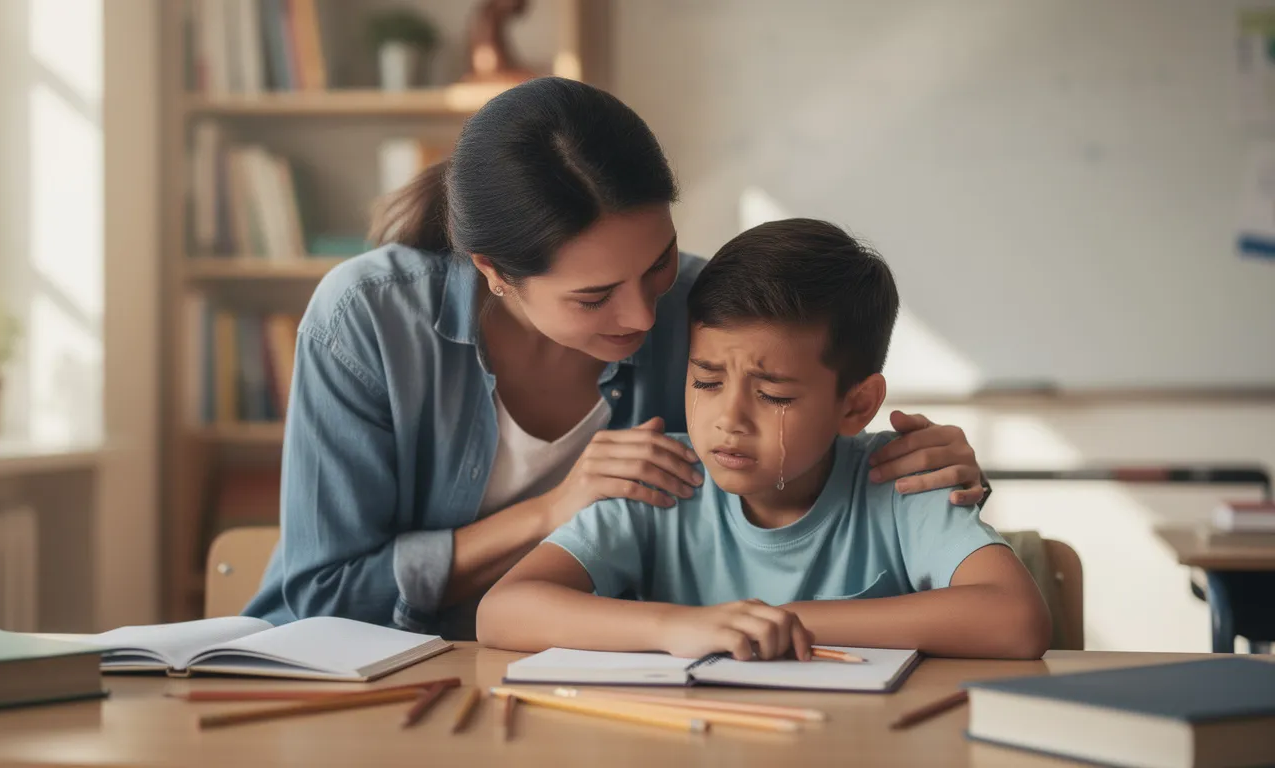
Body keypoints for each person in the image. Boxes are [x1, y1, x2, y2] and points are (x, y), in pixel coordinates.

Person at [243, 78, 990, 639]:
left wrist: (917, 464)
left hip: (593, 680)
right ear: (496, 273)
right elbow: (326, 600)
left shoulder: (700, 308)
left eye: (658, 261)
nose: (643, 315)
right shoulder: (367, 320)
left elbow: (802, 426)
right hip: (373, 678)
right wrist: (552, 510)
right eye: (594, 297)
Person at [476, 219, 1051, 660]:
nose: (728, 419)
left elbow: (1015, 619)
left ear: (856, 404)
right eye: (705, 380)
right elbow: (502, 612)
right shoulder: (664, 478)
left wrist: (777, 620)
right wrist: (677, 626)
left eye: (773, 395)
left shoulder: (900, 479)